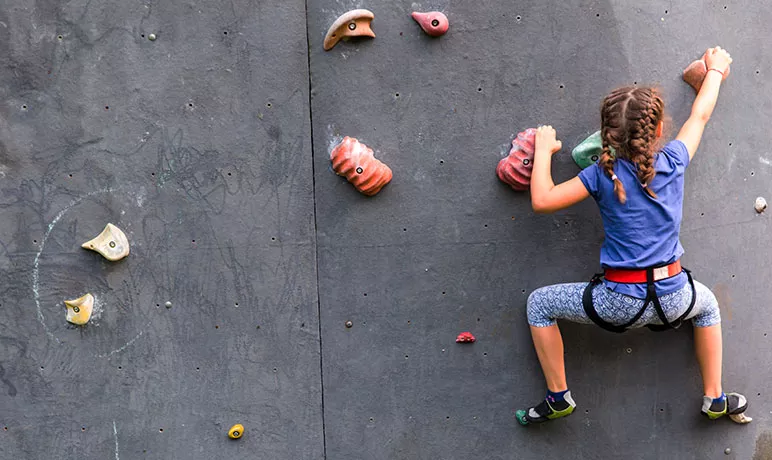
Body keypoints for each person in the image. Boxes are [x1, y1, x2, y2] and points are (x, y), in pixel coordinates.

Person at [517, 47, 746, 425]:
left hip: (618, 303)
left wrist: (544, 150)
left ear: (606, 135)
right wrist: (716, 72)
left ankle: (558, 396)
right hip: (677, 296)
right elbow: (700, 114)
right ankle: (715, 397)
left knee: (539, 305)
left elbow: (542, 200)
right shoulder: (673, 159)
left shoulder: (600, 176)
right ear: (657, 131)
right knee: (708, 308)